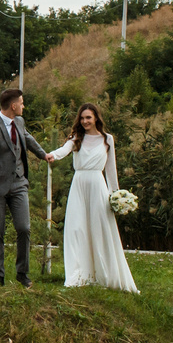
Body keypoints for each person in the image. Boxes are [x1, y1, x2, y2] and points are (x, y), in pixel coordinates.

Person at [45, 103, 139, 292]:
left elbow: (111, 171)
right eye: (82, 118)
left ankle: (103, 273)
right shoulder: (76, 138)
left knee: (99, 228)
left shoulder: (107, 139)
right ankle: (78, 273)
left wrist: (116, 196)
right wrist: (52, 155)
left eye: (88, 117)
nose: (85, 121)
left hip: (98, 185)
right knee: (76, 228)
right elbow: (63, 150)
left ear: (96, 117)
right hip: (79, 184)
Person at [0, 87, 50, 286]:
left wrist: (44, 155)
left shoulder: (19, 121)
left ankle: (22, 274)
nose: (23, 106)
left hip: (19, 184)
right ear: (13, 105)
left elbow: (27, 138)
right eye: (22, 102)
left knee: (24, 228)